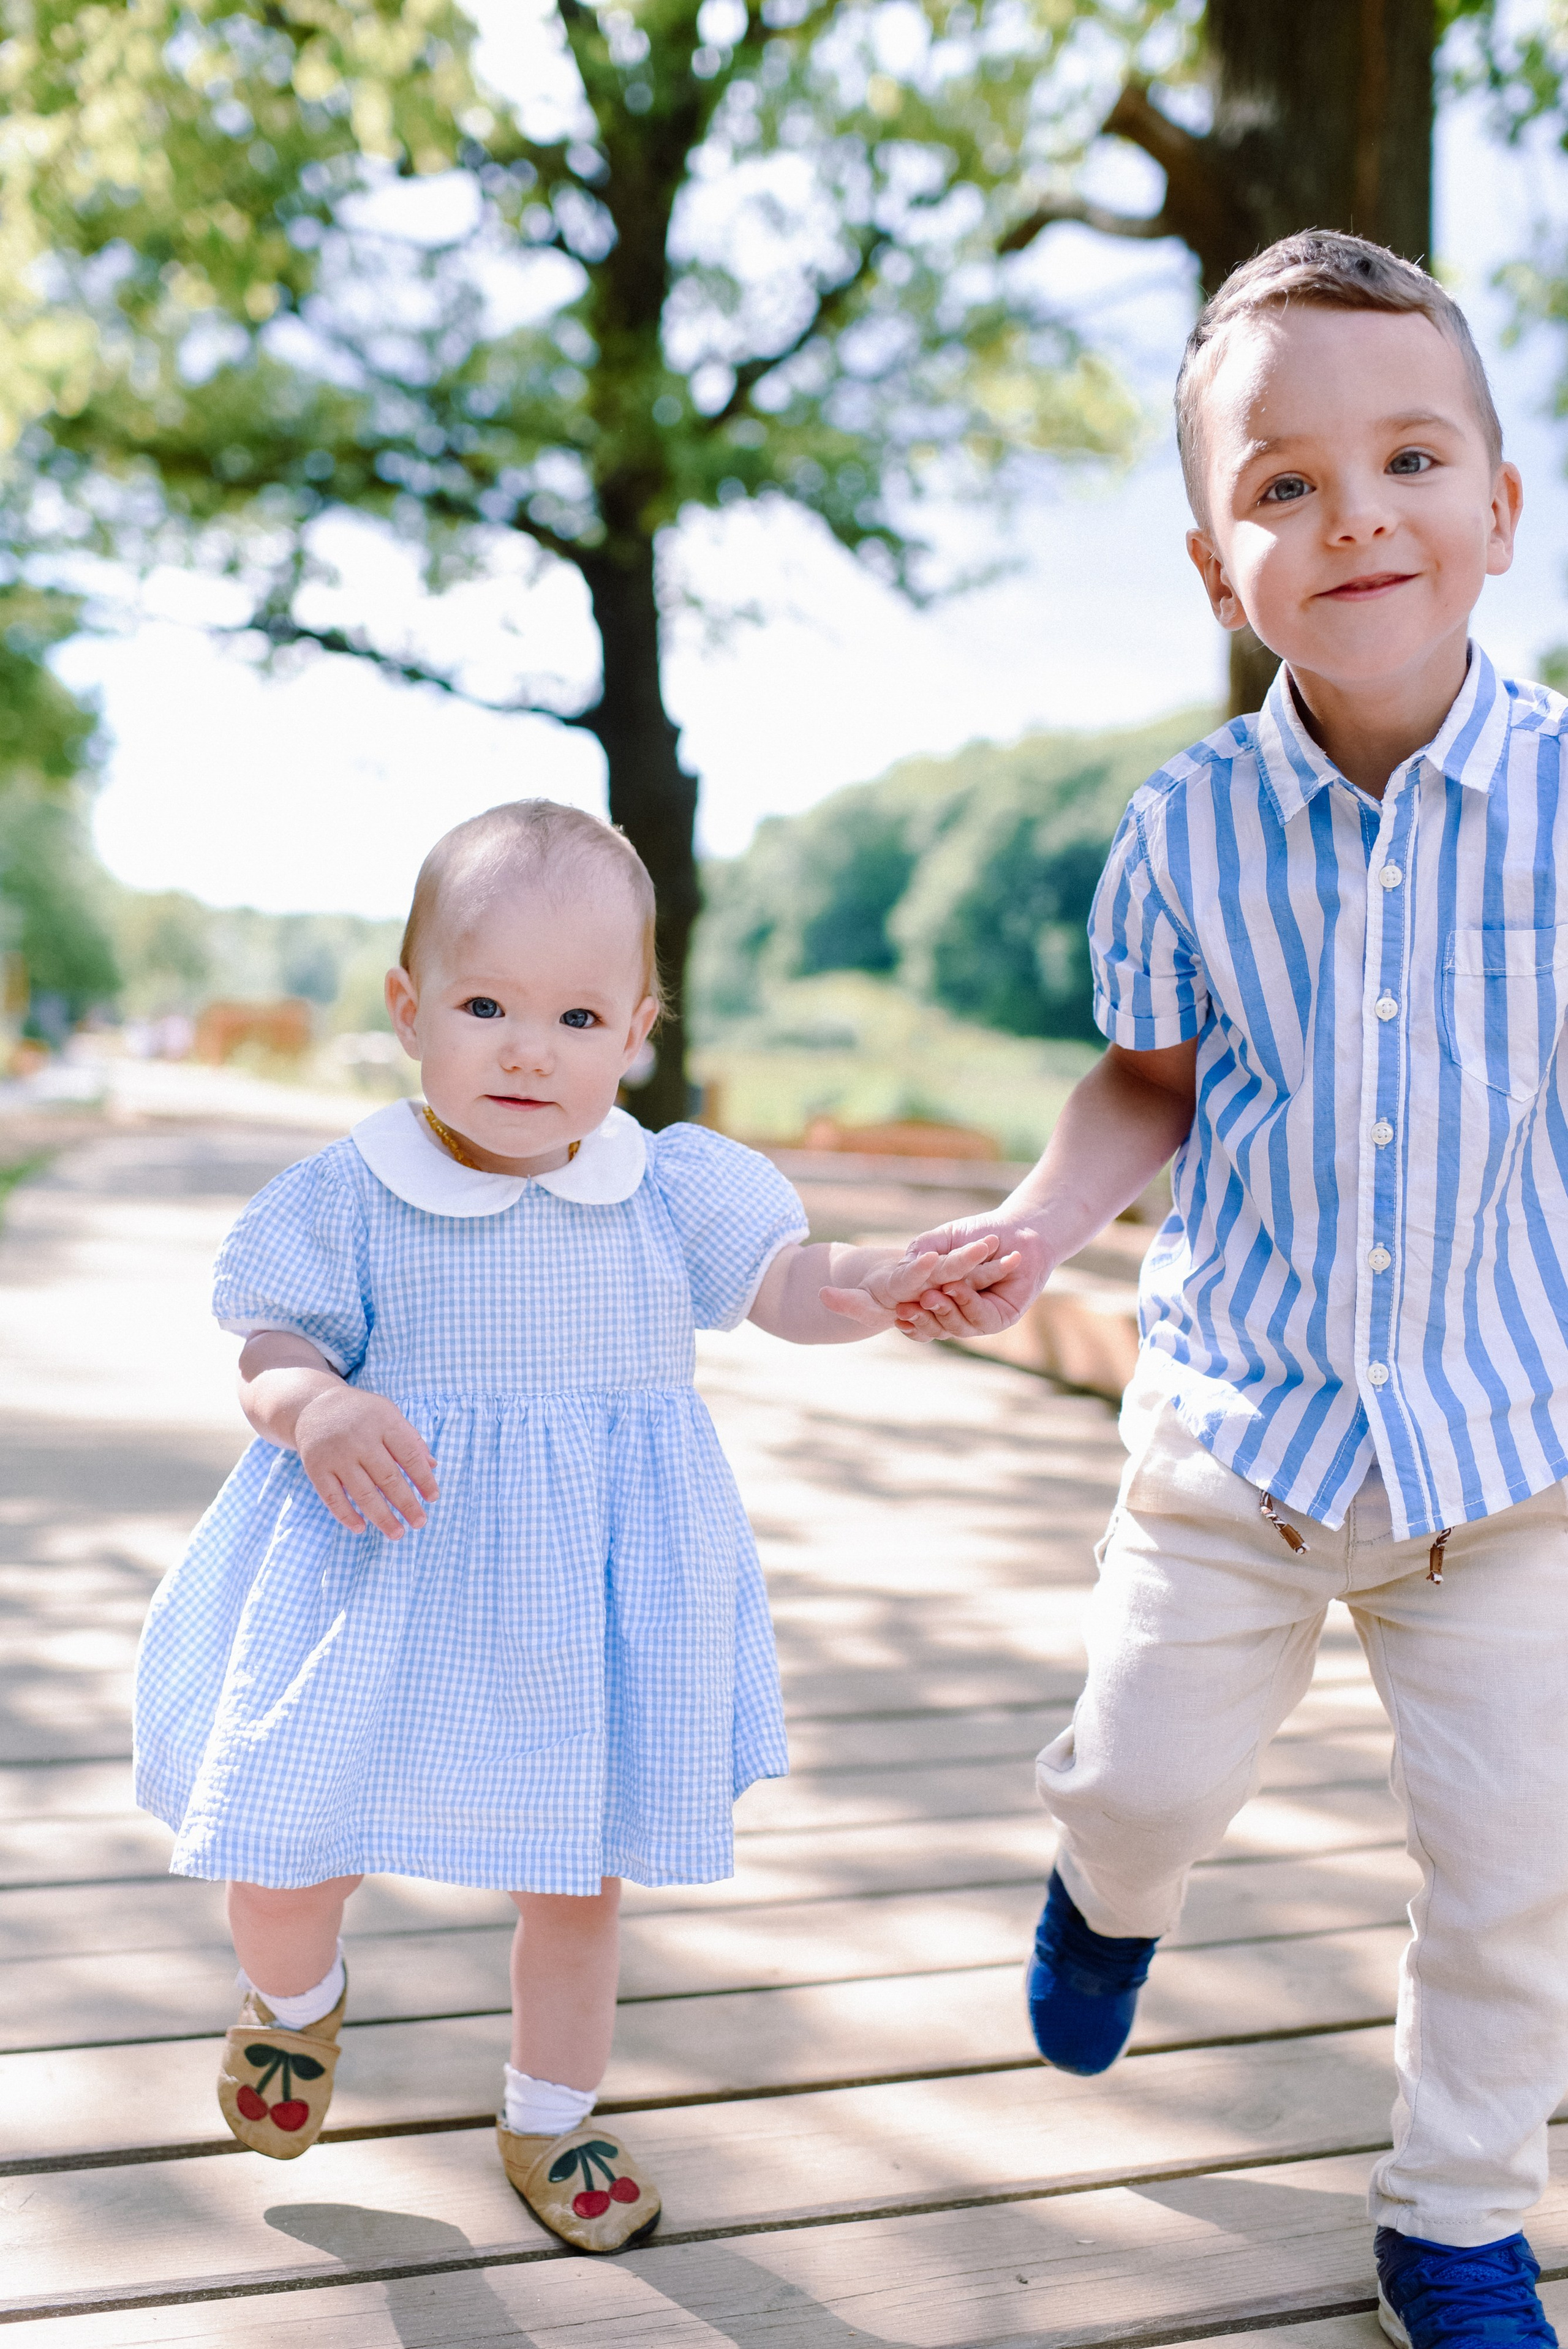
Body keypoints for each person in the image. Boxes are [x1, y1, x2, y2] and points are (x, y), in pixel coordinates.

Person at [895, 231, 1568, 2347]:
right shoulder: (1184, 826)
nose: (1354, 510)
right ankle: (1105, 1893)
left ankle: (1456, 2213)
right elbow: (1147, 1078)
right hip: (1239, 1440)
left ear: (1500, 508)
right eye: (1282, 484)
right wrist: (1040, 1221)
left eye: (1410, 456)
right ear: (1214, 569)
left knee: (1524, 1875)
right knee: (1142, 1781)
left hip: (1514, 1460)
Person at [132, 799, 1005, 2254]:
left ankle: (550, 2111)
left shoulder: (666, 1189)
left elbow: (785, 1286)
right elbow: (270, 1339)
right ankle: (294, 2001)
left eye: (577, 1014)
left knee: (576, 1878)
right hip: (380, 1560)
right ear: (411, 1010)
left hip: (579, 1599)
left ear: (638, 1029)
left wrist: (873, 1279)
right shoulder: (353, 1195)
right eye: (484, 1005)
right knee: (286, 1848)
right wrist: (315, 1406)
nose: (528, 1048)